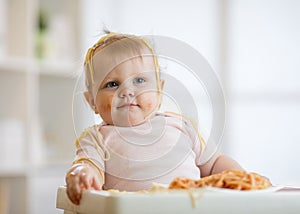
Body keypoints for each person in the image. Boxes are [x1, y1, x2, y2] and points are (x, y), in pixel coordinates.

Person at [65, 31, 243, 205]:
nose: (127, 91)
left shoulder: (182, 126)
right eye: (112, 84)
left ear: (159, 89)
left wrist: (244, 178)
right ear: (92, 102)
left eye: (139, 81)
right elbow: (89, 166)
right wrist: (82, 174)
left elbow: (214, 164)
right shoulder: (97, 138)